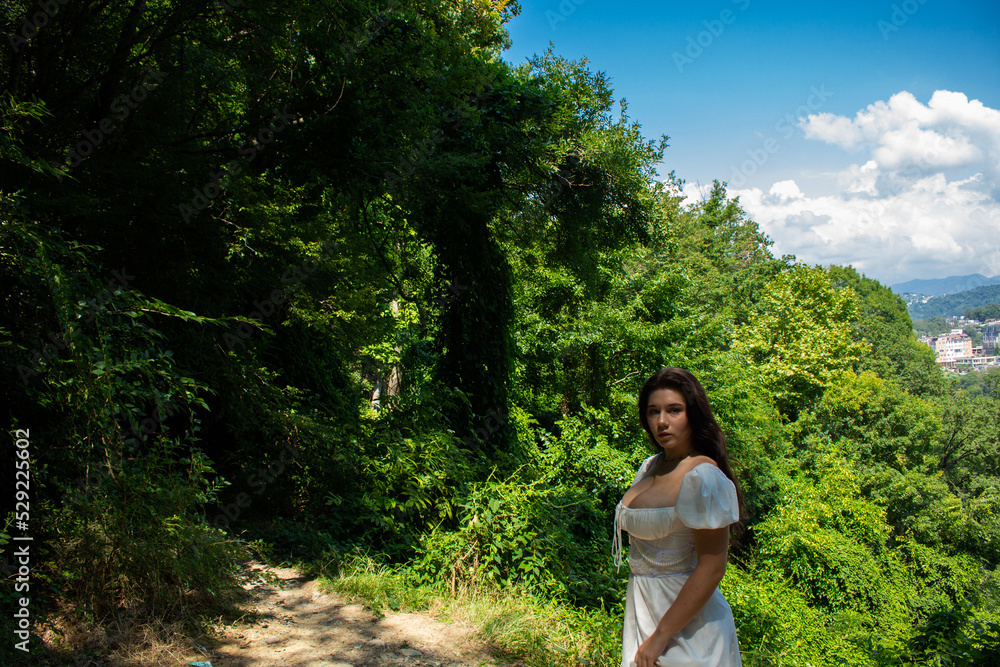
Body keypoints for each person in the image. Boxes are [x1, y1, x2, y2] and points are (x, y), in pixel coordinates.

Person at [612, 367, 744, 667]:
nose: (662, 422)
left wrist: (660, 638)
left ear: (693, 414)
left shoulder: (705, 477)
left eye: (674, 410)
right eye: (653, 411)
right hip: (643, 613)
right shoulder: (648, 467)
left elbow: (712, 568)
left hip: (689, 631)